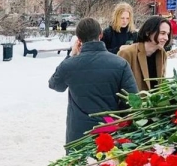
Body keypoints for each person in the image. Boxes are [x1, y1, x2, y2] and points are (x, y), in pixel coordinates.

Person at [48, 17, 138, 145]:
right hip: (109, 127)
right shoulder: (120, 64)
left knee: (77, 163)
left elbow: (55, 85)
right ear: (100, 35)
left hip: (78, 131)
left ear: (78, 39)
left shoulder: (69, 65)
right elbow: (131, 100)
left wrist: (71, 55)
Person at [118, 16, 171, 92]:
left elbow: (161, 83)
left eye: (167, 34)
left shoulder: (162, 54)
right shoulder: (127, 53)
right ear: (148, 32)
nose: (166, 38)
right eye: (162, 33)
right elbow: (117, 86)